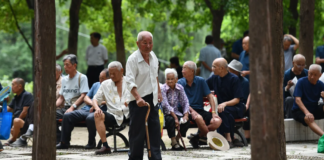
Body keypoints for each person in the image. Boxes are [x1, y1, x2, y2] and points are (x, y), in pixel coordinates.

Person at [125, 31, 162, 160]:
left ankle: (155, 157)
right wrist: (138, 98)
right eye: (145, 43)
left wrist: (159, 92)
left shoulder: (153, 56)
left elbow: (155, 76)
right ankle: (135, 158)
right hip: (138, 99)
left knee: (155, 130)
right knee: (137, 132)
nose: (148, 45)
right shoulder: (133, 59)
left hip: (152, 98)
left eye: (150, 42)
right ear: (138, 43)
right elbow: (129, 81)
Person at [56, 68, 109, 149]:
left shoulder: (112, 87)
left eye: (103, 78)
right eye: (100, 78)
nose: (100, 80)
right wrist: (94, 104)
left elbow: (112, 101)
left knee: (90, 118)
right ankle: (64, 142)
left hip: (101, 111)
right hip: (86, 109)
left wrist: (97, 105)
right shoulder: (96, 85)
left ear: (109, 78)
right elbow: (86, 98)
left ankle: (91, 142)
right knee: (67, 115)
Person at [178, 61, 222, 148]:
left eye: (184, 68)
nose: (182, 71)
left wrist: (213, 112)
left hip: (200, 110)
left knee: (217, 121)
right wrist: (193, 112)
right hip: (185, 110)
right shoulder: (180, 83)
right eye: (182, 68)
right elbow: (182, 101)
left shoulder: (201, 81)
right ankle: (212, 140)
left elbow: (210, 97)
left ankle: (196, 137)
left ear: (191, 71)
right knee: (198, 118)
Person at [207, 58, 245, 148]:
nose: (212, 68)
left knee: (223, 110)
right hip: (223, 109)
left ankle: (228, 138)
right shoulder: (214, 77)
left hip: (236, 107)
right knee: (225, 113)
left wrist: (225, 104)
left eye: (214, 66)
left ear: (222, 68)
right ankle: (233, 137)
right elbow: (204, 86)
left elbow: (237, 99)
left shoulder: (234, 79)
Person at [93, 61, 130, 155]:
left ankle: (138, 144)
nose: (112, 76)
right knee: (98, 115)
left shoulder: (130, 81)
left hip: (130, 112)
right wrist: (97, 108)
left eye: (114, 73)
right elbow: (95, 99)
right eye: (110, 74)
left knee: (140, 112)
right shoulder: (105, 84)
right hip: (113, 115)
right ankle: (105, 146)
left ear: (122, 71)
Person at [56, 54, 90, 147]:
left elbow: (83, 96)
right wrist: (53, 106)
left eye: (67, 65)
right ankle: (58, 139)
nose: (65, 67)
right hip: (66, 107)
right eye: (64, 65)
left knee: (67, 115)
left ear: (74, 65)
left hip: (78, 109)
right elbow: (61, 98)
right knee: (50, 114)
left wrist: (72, 107)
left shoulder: (82, 77)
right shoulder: (64, 80)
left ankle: (64, 143)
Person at [161, 68, 190, 150]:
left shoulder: (180, 88)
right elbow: (165, 104)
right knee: (170, 120)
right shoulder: (163, 88)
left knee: (186, 121)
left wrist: (186, 115)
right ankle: (173, 141)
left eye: (172, 79)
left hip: (176, 112)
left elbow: (185, 102)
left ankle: (177, 139)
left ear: (176, 79)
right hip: (166, 113)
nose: (170, 81)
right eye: (168, 79)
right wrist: (175, 117)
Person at [292, 64, 324, 137]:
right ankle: (323, 136)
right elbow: (297, 100)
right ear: (308, 72)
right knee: (308, 118)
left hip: (314, 109)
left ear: (320, 75)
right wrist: (307, 113)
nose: (312, 77)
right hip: (299, 111)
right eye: (310, 74)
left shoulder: (321, 84)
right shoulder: (301, 82)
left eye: (315, 75)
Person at [4, 78, 33, 146]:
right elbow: (7, 109)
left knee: (16, 120)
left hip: (26, 125)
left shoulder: (27, 95)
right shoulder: (15, 97)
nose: (11, 87)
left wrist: (14, 125)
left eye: (13, 85)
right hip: (17, 125)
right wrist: (3, 100)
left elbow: (25, 112)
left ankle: (13, 140)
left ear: (20, 86)